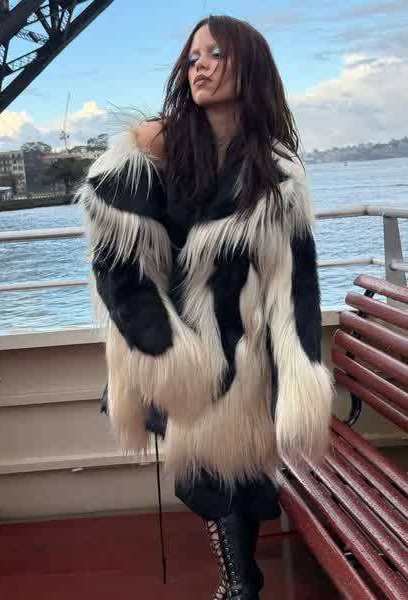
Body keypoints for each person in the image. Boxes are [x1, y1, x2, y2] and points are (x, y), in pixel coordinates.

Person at [77, 15, 333, 600]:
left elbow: (296, 280)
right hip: (168, 346)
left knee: (231, 469)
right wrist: (165, 352)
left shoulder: (276, 171)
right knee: (203, 476)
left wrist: (299, 371)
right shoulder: (157, 149)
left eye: (217, 54)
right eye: (194, 57)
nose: (202, 67)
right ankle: (241, 581)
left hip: (243, 348)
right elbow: (117, 261)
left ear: (251, 66)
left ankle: (239, 585)